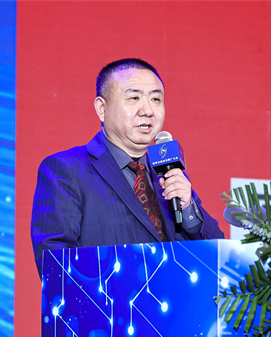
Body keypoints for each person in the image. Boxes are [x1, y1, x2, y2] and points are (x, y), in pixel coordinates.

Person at [31, 58, 224, 275]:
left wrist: (188, 209)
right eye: (134, 98)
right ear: (102, 108)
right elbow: (55, 265)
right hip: (108, 297)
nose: (148, 110)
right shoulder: (66, 170)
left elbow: (217, 255)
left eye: (156, 99)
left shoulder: (168, 174)